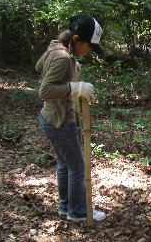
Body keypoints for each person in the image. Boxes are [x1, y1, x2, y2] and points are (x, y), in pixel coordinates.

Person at [36, 15, 106, 222]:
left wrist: (70, 74)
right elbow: (45, 90)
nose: (89, 51)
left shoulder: (57, 49)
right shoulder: (62, 56)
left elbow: (40, 66)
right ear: (76, 39)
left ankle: (65, 206)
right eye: (88, 46)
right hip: (59, 121)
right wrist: (74, 87)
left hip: (51, 119)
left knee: (65, 164)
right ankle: (77, 211)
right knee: (77, 166)